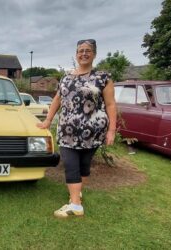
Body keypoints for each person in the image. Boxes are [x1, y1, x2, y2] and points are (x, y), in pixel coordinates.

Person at [37, 39, 116, 218]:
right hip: (67, 131)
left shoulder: (103, 78)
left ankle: (76, 195)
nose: (84, 53)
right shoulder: (66, 77)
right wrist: (48, 121)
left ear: (94, 54)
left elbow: (110, 104)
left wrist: (111, 130)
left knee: (84, 166)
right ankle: (75, 204)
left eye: (88, 50)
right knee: (71, 164)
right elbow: (57, 99)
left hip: (93, 131)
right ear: (76, 54)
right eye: (80, 50)